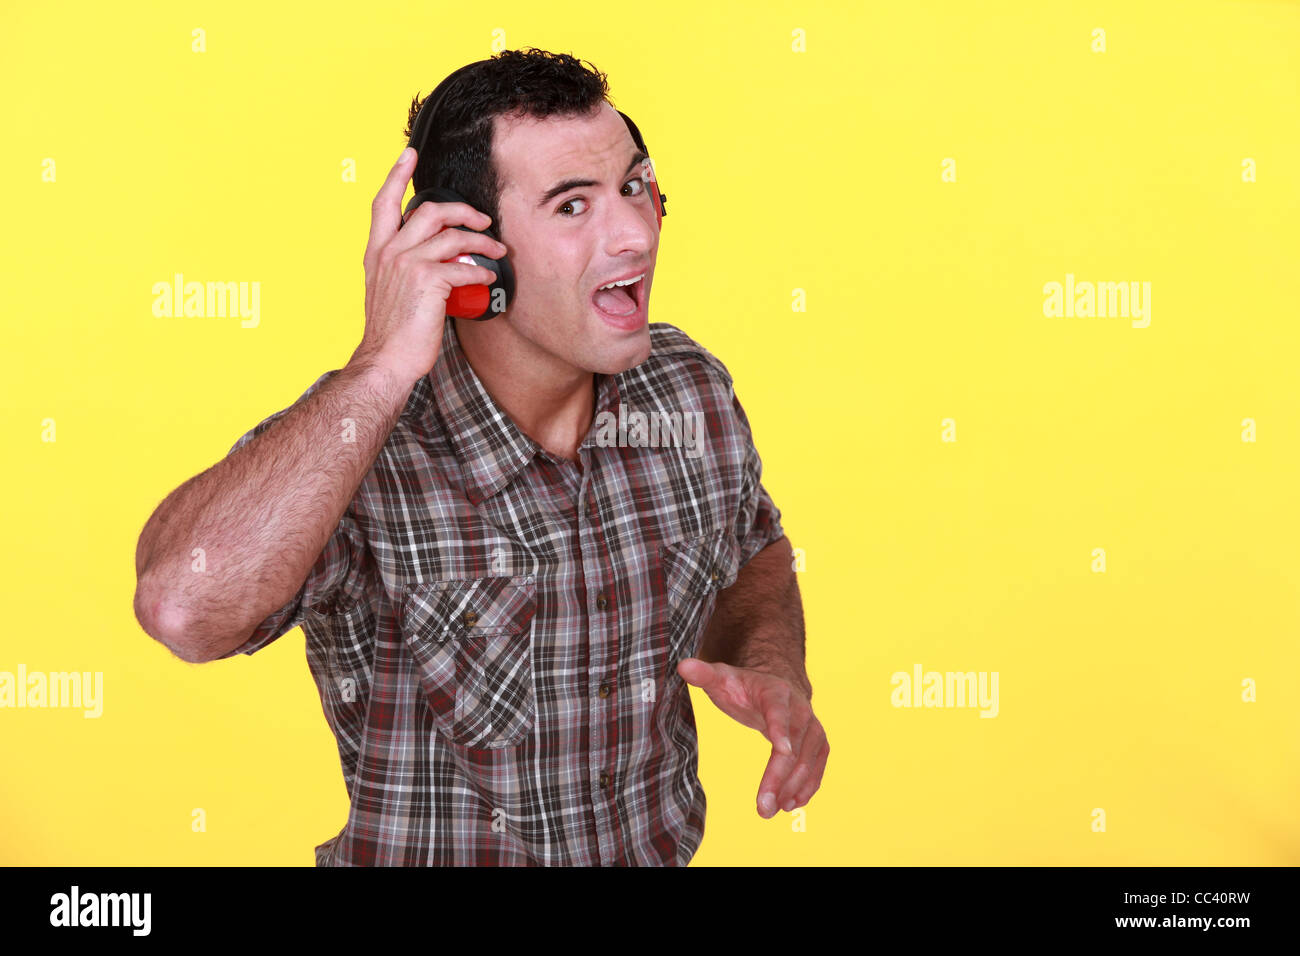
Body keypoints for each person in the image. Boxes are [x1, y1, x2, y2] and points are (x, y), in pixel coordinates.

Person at [133, 47, 827, 865]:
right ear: (470, 252)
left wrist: (772, 665)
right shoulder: (360, 452)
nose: (635, 233)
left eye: (635, 187)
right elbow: (182, 608)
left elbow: (751, 549)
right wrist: (382, 363)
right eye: (573, 206)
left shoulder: (690, 389)